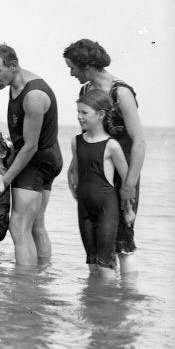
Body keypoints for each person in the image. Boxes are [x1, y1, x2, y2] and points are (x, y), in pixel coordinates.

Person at [63, 39, 145, 274]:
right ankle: (102, 300)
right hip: (96, 173)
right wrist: (74, 166)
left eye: (72, 67)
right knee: (98, 240)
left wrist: (129, 185)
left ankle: (127, 300)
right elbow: (88, 134)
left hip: (123, 172)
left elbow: (139, 141)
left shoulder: (121, 92)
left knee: (123, 241)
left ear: (86, 66)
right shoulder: (86, 91)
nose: (70, 73)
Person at [0, 44, 63, 266]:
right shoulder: (15, 85)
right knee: (36, 223)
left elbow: (30, 146)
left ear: (13, 66)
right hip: (48, 158)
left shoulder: (33, 95)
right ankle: (43, 276)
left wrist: (4, 181)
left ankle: (24, 288)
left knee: (18, 226)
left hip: (36, 160)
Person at [70, 89, 134, 277]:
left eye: (84, 113)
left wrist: (129, 211)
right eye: (78, 112)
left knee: (104, 263)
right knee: (91, 262)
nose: (79, 117)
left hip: (107, 209)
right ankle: (94, 303)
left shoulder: (112, 146)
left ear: (100, 115)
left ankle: (109, 303)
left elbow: (127, 182)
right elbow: (75, 171)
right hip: (84, 209)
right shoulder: (76, 141)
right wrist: (74, 187)